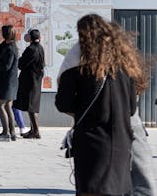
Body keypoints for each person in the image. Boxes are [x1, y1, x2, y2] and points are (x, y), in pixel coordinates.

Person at [56, 14, 144, 196]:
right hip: (121, 141)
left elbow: (63, 103)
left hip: (91, 142)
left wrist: (80, 111)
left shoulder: (77, 67)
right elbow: (132, 108)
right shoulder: (125, 68)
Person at [0, 24, 20, 141]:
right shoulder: (5, 46)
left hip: (7, 81)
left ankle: (5, 133)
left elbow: (6, 66)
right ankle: (12, 133)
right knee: (8, 106)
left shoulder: (11, 48)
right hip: (7, 81)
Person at [15, 28, 45, 139]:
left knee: (31, 106)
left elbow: (21, 64)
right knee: (32, 105)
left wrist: (19, 60)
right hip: (36, 79)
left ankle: (36, 131)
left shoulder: (31, 49)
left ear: (30, 38)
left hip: (30, 80)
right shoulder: (40, 48)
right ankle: (33, 129)